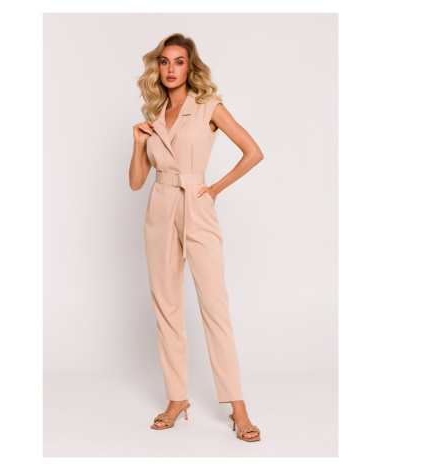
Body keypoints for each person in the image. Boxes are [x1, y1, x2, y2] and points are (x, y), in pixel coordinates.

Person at [129, 33, 264, 442]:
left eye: (179, 62)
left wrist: (215, 188)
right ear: (157, 68)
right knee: (167, 308)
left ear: (191, 67)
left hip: (197, 205)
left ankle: (238, 408)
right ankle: (177, 399)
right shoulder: (153, 117)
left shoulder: (208, 107)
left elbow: (253, 151)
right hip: (159, 209)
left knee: (214, 307)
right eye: (165, 62)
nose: (171, 69)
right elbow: (136, 182)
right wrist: (138, 144)